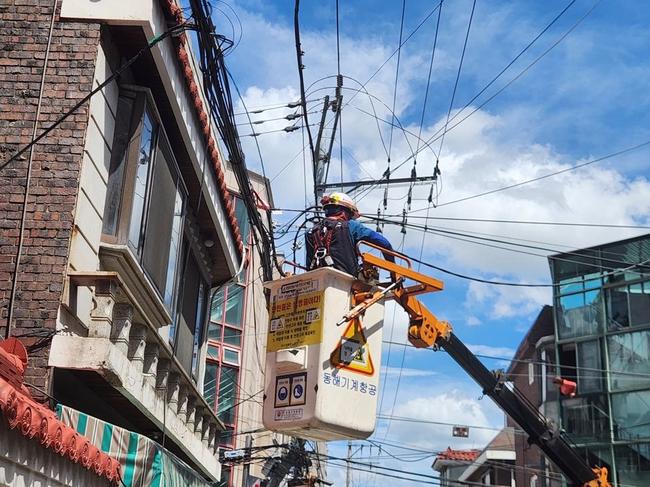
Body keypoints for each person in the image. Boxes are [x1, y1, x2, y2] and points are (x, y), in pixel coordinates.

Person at [305, 192, 394, 277]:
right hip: (347, 281)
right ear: (345, 212)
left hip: (316, 281)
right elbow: (384, 244)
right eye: (351, 216)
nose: (350, 218)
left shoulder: (310, 232)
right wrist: (393, 270)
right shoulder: (351, 226)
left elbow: (309, 265)